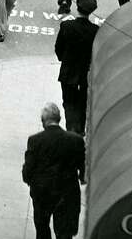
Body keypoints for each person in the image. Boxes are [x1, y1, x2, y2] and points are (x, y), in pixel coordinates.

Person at [22, 102, 85, 239]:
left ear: (43, 121)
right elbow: (83, 169)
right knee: (64, 233)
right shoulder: (76, 141)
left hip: (43, 193)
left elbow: (27, 172)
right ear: (59, 119)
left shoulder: (35, 141)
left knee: (42, 228)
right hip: (67, 194)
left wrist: (31, 181)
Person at [55, 0, 99, 135]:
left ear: (77, 7)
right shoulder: (95, 31)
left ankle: (71, 131)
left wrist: (64, 59)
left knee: (68, 104)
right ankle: (80, 131)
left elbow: (58, 49)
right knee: (82, 104)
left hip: (68, 73)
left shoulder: (66, 26)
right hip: (85, 75)